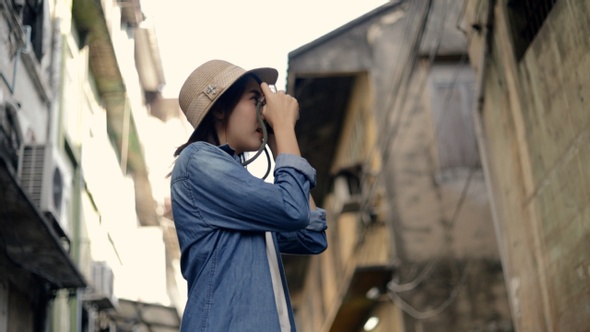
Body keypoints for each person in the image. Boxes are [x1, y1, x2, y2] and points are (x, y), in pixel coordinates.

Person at [170, 59, 328, 332]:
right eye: (255, 99)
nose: (263, 112)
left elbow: (310, 234)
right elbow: (293, 209)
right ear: (220, 108)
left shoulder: (238, 189)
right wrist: (283, 126)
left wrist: (279, 138)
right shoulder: (197, 160)